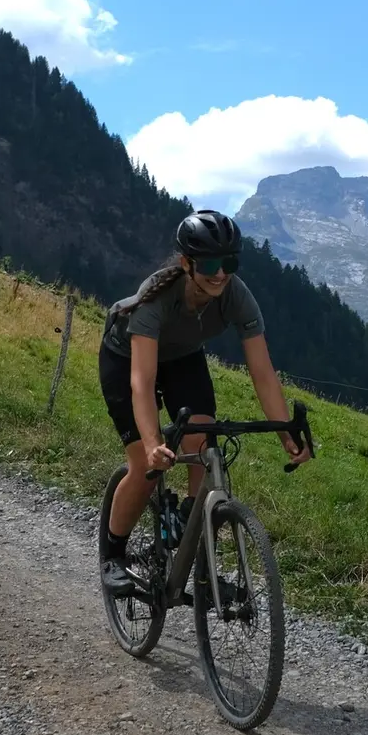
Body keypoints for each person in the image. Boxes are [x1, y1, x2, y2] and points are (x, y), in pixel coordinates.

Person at [97, 208, 309, 592]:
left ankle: (195, 545)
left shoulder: (236, 296)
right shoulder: (155, 300)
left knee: (204, 440)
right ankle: (113, 555)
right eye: (209, 263)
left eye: (229, 263)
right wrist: (152, 444)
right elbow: (142, 383)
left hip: (183, 357)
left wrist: (285, 433)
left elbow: (262, 372)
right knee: (144, 465)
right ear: (186, 263)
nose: (220, 273)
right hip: (127, 358)